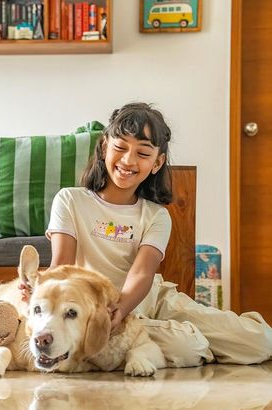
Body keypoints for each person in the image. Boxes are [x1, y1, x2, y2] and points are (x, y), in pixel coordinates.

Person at [23, 102, 272, 367]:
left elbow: (142, 272)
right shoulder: (70, 200)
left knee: (261, 342)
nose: (128, 160)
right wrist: (39, 287)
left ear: (157, 162)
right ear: (105, 147)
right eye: (120, 148)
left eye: (142, 153)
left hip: (152, 300)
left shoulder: (156, 215)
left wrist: (122, 308)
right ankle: (190, 344)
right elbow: (62, 265)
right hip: (95, 309)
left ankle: (187, 341)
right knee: (184, 346)